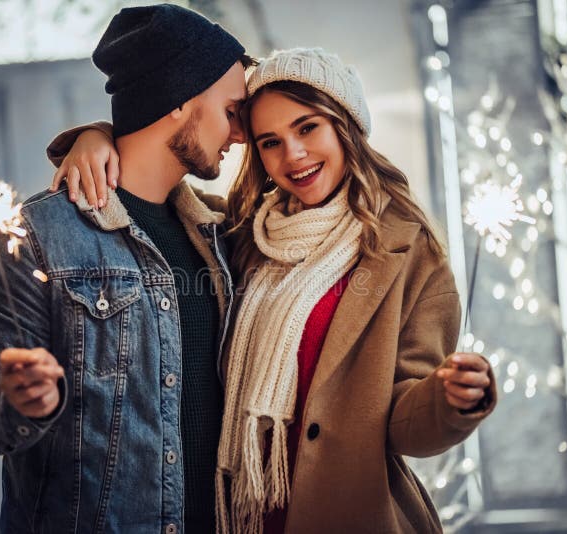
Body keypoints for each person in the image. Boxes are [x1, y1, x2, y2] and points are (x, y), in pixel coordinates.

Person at [49, 47, 498, 533]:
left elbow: (405, 425)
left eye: (307, 128)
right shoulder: (241, 233)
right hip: (241, 516)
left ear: (344, 124)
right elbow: (154, 183)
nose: (293, 155)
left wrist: (450, 399)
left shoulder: (410, 253)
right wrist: (96, 138)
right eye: (270, 142)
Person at [0, 4, 255, 533]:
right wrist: (14, 401)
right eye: (231, 111)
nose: (240, 134)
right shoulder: (39, 235)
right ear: (179, 99)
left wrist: (92, 133)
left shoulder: (222, 235)